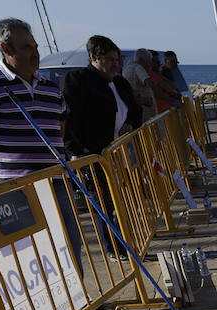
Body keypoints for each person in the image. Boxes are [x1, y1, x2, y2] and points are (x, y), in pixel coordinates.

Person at [0, 18, 82, 270]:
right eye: (27, 47)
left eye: (35, 46)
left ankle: (80, 299)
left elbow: (59, 129)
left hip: (56, 181)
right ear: (6, 49)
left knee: (70, 244)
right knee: (32, 252)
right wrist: (4, 163)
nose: (36, 53)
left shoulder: (52, 89)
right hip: (17, 187)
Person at [61, 35, 141, 250]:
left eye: (118, 59)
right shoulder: (77, 79)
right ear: (94, 57)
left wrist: (131, 124)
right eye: (110, 59)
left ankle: (128, 241)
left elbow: (135, 110)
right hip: (91, 154)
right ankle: (113, 247)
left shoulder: (120, 82)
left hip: (119, 152)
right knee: (103, 204)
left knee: (122, 199)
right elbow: (71, 118)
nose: (116, 63)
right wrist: (76, 152)